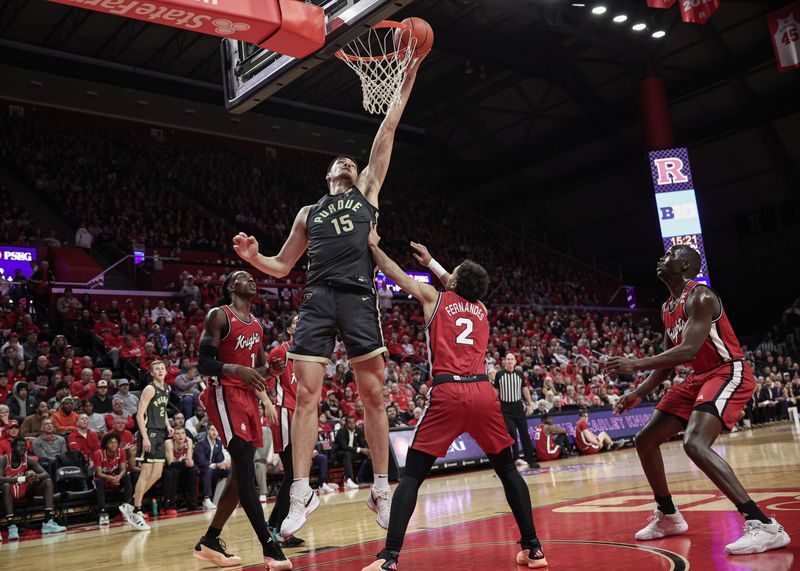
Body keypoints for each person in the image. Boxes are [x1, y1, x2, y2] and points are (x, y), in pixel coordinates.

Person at [232, 57, 424, 540]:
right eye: (339, 161)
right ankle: (301, 492)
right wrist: (256, 257)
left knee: (374, 394)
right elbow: (281, 266)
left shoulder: (368, 191)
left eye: (351, 160)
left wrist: (409, 74)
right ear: (327, 175)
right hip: (316, 297)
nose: (346, 161)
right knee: (306, 398)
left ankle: (381, 487)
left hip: (358, 296)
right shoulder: (307, 212)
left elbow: (389, 124)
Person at [362, 229, 547, 570]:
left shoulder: (434, 298)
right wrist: (431, 261)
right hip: (483, 393)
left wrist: (373, 246)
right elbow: (461, 285)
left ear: (454, 281)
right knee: (507, 469)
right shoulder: (483, 310)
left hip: (449, 391)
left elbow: (394, 274)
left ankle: (389, 557)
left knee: (413, 476)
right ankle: (534, 549)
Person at [610, 245, 790, 555]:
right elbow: (668, 365)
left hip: (726, 371)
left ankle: (764, 525)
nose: (660, 258)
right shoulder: (668, 308)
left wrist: (635, 363)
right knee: (646, 439)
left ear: (686, 266)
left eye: (669, 255)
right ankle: (668, 515)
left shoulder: (701, 297)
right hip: (697, 378)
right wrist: (637, 393)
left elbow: (689, 350)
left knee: (694, 443)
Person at [193, 271, 288, 569]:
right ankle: (270, 547)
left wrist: (271, 370)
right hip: (223, 394)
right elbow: (204, 364)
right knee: (245, 466)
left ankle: (209, 540)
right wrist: (235, 369)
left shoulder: (257, 325)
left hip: (247, 398)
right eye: (243, 277)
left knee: (240, 474)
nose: (252, 280)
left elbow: (258, 371)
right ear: (231, 286)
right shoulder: (218, 315)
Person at [264, 314, 307, 547]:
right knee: (292, 475)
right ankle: (277, 529)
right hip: (284, 413)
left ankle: (275, 526)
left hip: (301, 415)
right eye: (296, 323)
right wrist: (268, 404)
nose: (302, 325)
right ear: (289, 330)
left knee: (295, 476)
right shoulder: (279, 351)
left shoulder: (307, 351)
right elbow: (263, 380)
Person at [121, 360, 174, 531]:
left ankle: (129, 504)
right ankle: (136, 511)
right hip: (149, 432)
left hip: (160, 433)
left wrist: (168, 425)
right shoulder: (150, 389)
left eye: (162, 368)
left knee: (157, 474)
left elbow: (163, 409)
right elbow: (139, 415)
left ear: (166, 372)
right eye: (156, 369)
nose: (160, 370)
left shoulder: (167, 389)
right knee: (145, 473)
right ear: (151, 373)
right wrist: (144, 437)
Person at [1, 437, 66, 540]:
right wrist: (22, 478)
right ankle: (11, 526)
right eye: (19, 446)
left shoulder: (28, 459)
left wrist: (35, 477)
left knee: (48, 482)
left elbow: (46, 474)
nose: (22, 448)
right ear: (12, 447)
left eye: (24, 446)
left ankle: (48, 522)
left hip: (25, 492)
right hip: (8, 493)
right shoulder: (4, 459)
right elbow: (0, 479)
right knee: (6, 486)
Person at [492, 353, 539, 469]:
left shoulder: (519, 374)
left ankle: (531, 460)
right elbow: (495, 391)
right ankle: (513, 460)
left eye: (511, 359)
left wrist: (529, 404)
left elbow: (525, 389)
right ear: (504, 362)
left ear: (515, 362)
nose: (509, 361)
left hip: (518, 407)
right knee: (511, 433)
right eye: (507, 359)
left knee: (524, 434)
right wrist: (492, 405)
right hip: (505, 408)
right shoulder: (499, 374)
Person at [94, 432, 133, 526]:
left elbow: (123, 469)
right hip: (103, 479)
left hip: (116, 478)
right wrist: (111, 478)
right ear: (106, 444)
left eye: (116, 442)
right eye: (111, 442)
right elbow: (99, 473)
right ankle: (102, 512)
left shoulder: (121, 452)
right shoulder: (98, 453)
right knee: (99, 482)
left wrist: (118, 477)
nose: (114, 444)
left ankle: (126, 507)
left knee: (127, 477)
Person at [163, 427, 197, 514]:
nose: (180, 435)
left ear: (186, 435)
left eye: (182, 433)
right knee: (173, 471)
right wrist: (186, 463)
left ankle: (192, 503)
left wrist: (190, 463)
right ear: (173, 436)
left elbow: (188, 460)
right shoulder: (168, 442)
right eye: (177, 434)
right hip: (170, 468)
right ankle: (170, 504)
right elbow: (170, 463)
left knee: (193, 470)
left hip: (182, 467)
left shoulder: (189, 441)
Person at [194, 424, 229, 509]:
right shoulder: (200, 443)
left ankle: (225, 498)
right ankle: (206, 499)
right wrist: (216, 465)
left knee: (228, 471)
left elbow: (220, 458)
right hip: (201, 469)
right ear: (207, 431)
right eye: (212, 430)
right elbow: (201, 461)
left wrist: (222, 464)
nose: (215, 432)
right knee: (207, 470)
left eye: (216, 430)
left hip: (213, 469)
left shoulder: (219, 442)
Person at [334, 415, 372, 489]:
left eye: (353, 423)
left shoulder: (357, 430)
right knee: (347, 453)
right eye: (349, 423)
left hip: (352, 453)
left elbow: (362, 442)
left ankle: (361, 476)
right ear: (346, 423)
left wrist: (367, 450)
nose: (352, 424)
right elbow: (344, 447)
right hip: (339, 454)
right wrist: (360, 449)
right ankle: (348, 480)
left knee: (368, 455)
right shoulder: (341, 431)